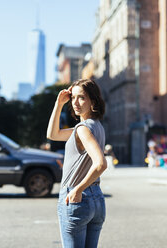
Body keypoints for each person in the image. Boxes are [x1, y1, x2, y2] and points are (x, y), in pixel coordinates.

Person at [47, 79, 107, 248]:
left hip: (78, 198)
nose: (75, 102)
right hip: (96, 199)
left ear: (93, 101)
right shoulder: (95, 126)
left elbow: (101, 164)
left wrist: (77, 189)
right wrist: (58, 104)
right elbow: (53, 134)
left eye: (82, 98)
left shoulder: (83, 129)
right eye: (73, 97)